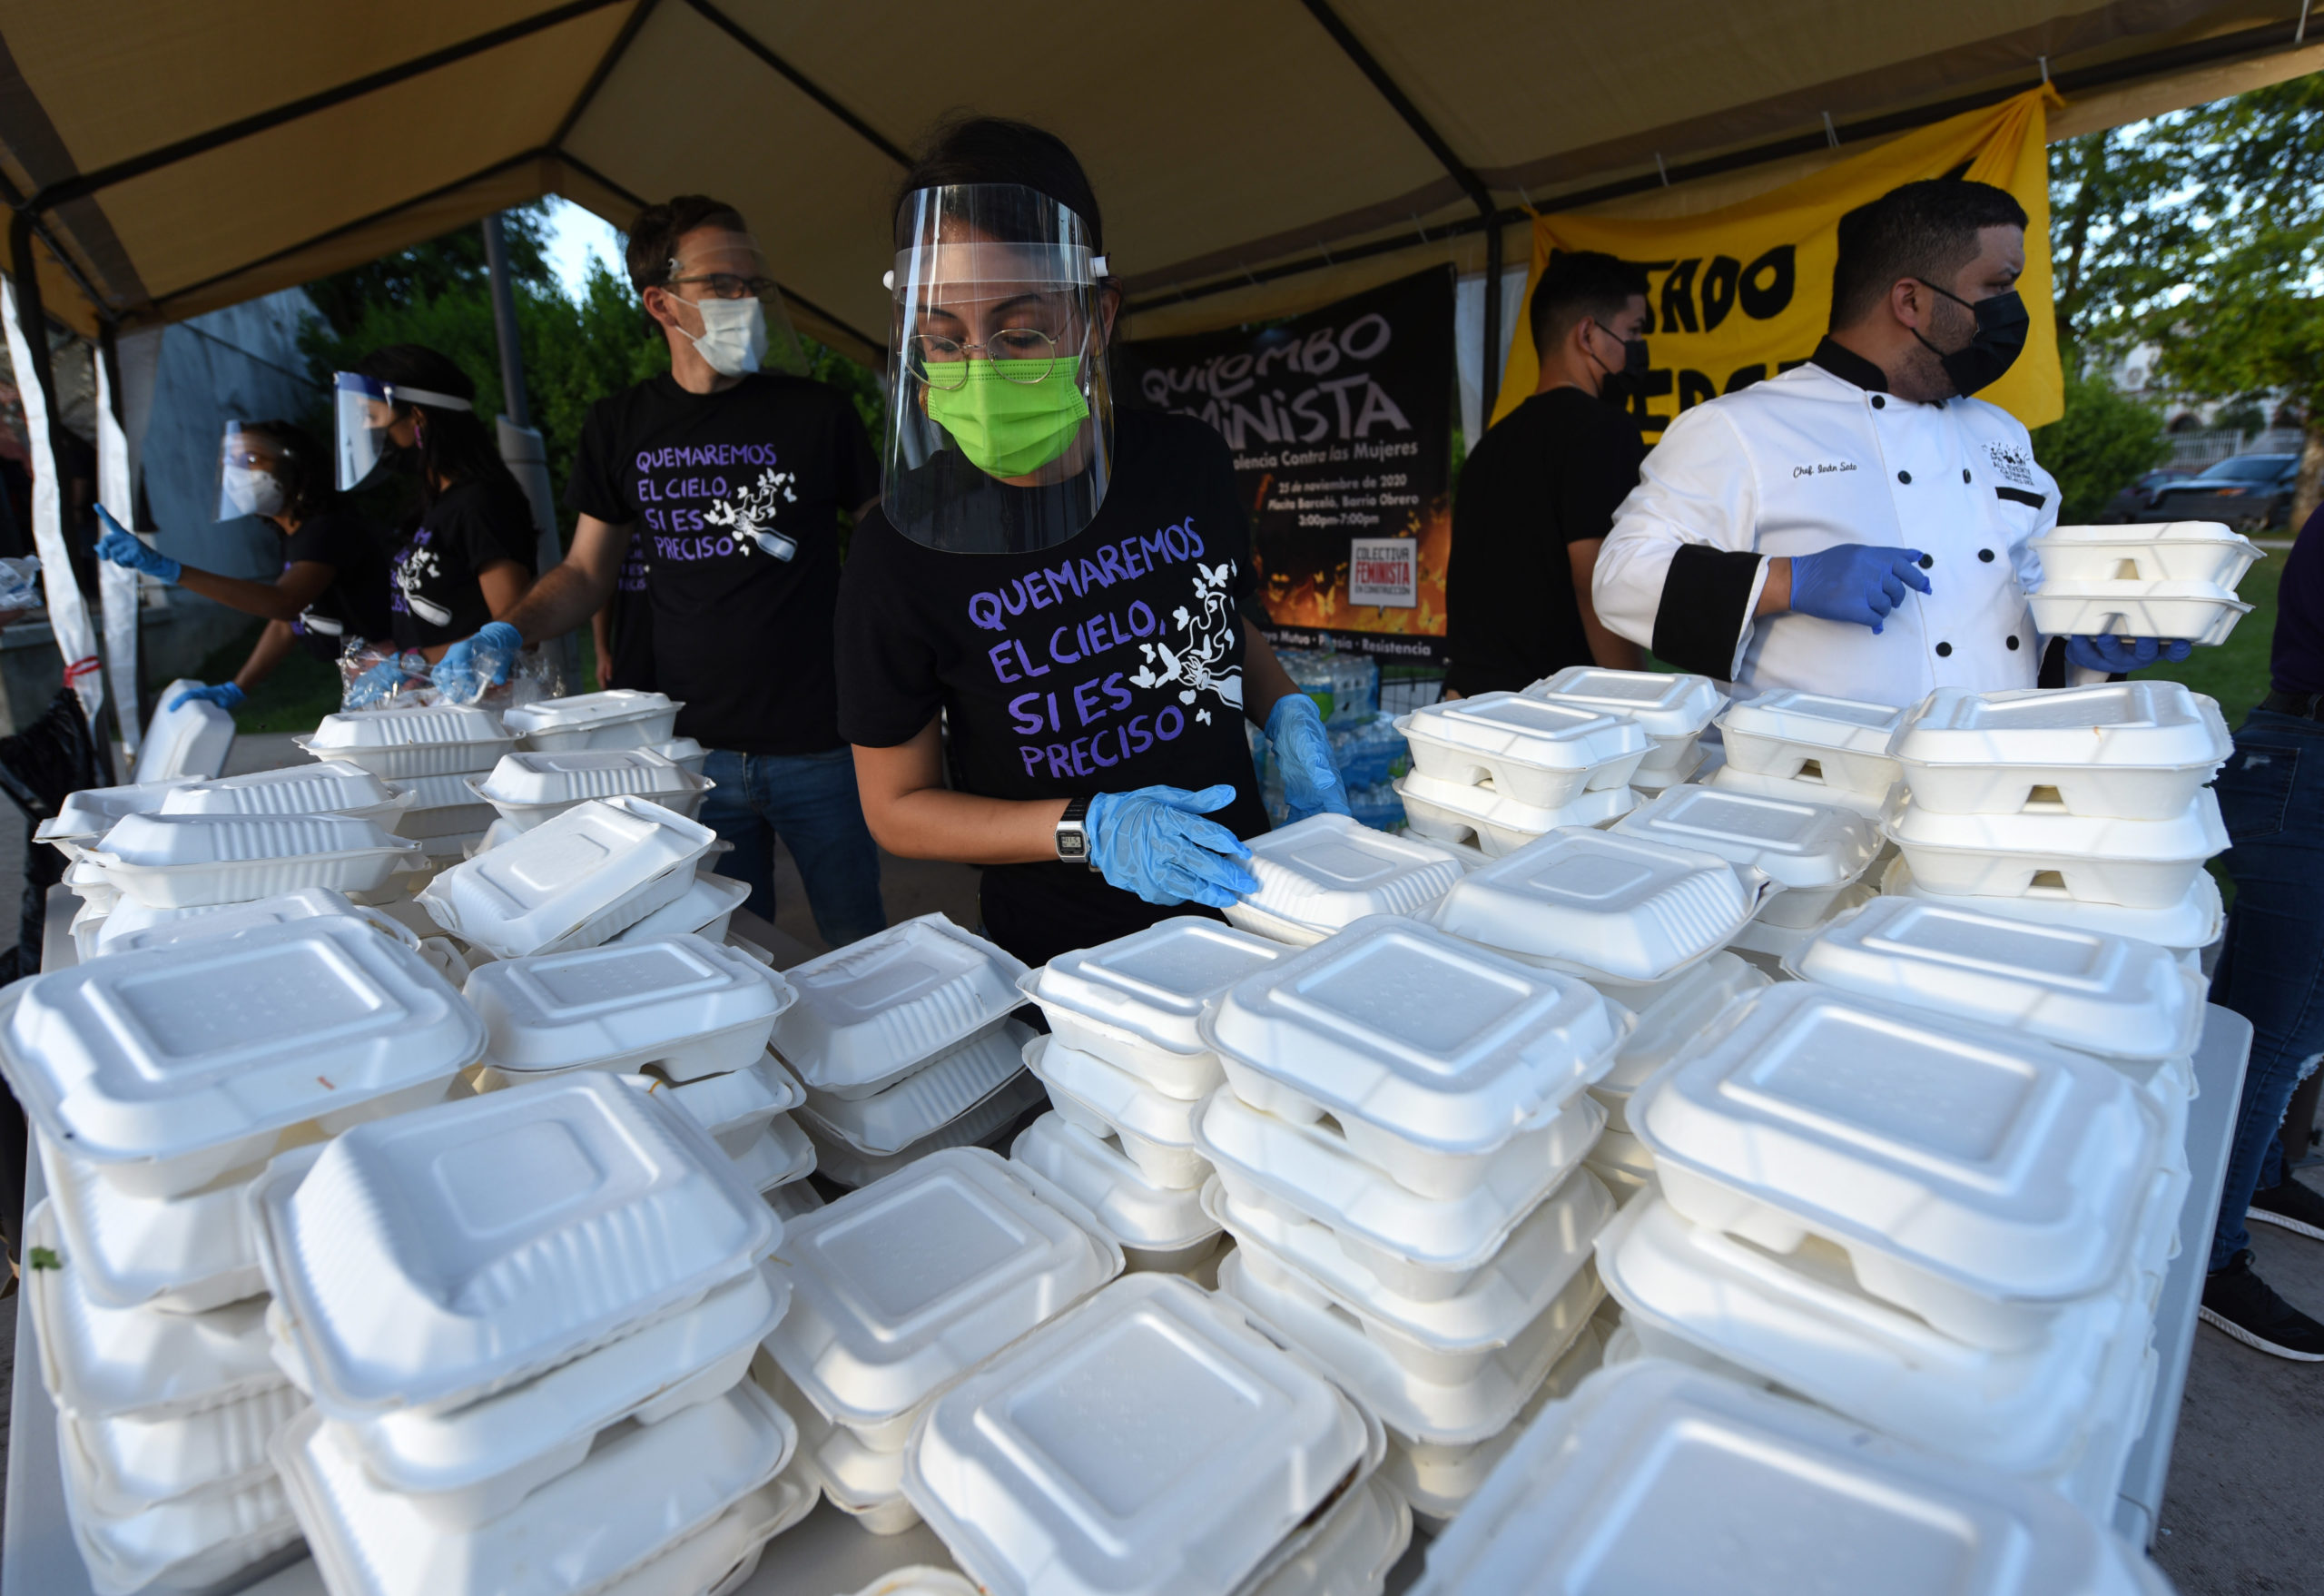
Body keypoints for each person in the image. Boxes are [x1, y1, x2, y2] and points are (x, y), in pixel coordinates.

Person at [832, 116, 1350, 970]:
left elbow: (1216, 617)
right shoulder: (899, 549)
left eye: (1023, 332)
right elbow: (897, 804)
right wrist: (1087, 827)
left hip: (1253, 901)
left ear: (1096, 317)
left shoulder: (1185, 461)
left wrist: (1285, 709)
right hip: (1071, 952)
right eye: (944, 340)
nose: (982, 373)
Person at [432, 197, 887, 947]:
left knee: (860, 938)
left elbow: (881, 541)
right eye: (723, 285)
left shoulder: (817, 412)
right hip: (691, 752)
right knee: (730, 944)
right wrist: (505, 630)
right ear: (661, 301)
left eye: (753, 285)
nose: (746, 301)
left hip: (822, 742)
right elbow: (585, 572)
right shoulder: (620, 424)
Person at [1590, 178, 2186, 704]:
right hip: (1818, 789)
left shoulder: (2000, 433)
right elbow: (1620, 578)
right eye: (1999, 286)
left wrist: (2085, 643)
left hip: (2000, 782)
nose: (2014, 309)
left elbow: (2025, 601)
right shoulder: (1741, 427)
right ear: (1911, 301)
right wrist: (1788, 580)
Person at [2200, 498, 2324, 1359]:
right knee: (2275, 1031)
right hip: (2305, 769)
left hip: (2295, 759)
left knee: (2264, 1018)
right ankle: (2206, 1256)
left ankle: (2262, 1176)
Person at [1443, 251, 1648, 696]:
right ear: (1589, 334)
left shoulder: (1488, 447)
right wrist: (1638, 698)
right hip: (1553, 722)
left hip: (1467, 705)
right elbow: (1595, 581)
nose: (1638, 348)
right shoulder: (1602, 430)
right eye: (1633, 331)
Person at [94, 419, 392, 712]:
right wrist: (239, 686)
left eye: (251, 460)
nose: (236, 474)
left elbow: (284, 603)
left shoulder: (326, 531)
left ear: (294, 468)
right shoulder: (298, 536)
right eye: (231, 464)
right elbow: (290, 621)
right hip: (368, 676)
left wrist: (172, 570)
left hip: (395, 674)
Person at [332, 344, 537, 701]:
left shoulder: (481, 502)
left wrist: (409, 662)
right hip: (437, 704)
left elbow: (520, 633)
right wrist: (394, 654)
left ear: (417, 417)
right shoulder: (435, 504)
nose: (365, 430)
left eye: (371, 415)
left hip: (483, 707)